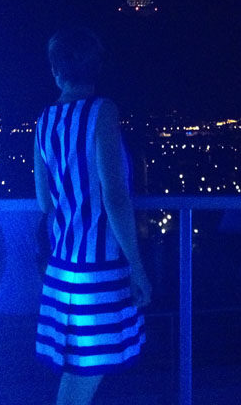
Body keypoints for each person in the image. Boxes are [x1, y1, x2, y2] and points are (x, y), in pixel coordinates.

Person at [34, 26, 152, 405]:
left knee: (76, 372)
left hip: (62, 266)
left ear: (57, 70)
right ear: (95, 67)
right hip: (99, 268)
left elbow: (44, 202)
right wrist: (137, 267)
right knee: (84, 378)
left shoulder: (45, 121)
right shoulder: (102, 111)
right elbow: (115, 196)